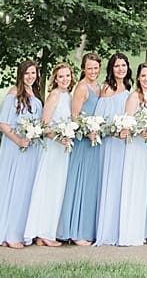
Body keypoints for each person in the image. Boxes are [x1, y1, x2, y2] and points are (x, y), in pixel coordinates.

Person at [0, 59, 43, 248]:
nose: (30, 76)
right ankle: (7, 233)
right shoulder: (14, 93)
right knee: (13, 187)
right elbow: (3, 124)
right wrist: (20, 140)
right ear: (21, 75)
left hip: (32, 149)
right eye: (27, 73)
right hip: (16, 148)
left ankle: (18, 232)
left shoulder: (35, 93)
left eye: (33, 73)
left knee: (25, 190)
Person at [25, 62, 75, 247]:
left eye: (67, 76)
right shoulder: (54, 96)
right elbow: (44, 126)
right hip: (53, 147)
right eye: (61, 76)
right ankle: (42, 232)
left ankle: (46, 232)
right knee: (48, 188)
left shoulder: (68, 96)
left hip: (63, 149)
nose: (64, 79)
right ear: (55, 78)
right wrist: (59, 138)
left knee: (57, 189)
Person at [57, 52, 103, 245]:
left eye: (95, 68)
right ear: (83, 68)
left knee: (91, 186)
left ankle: (86, 228)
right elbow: (75, 116)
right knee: (80, 184)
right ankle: (74, 232)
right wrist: (87, 131)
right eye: (89, 68)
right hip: (84, 141)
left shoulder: (98, 86)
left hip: (95, 141)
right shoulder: (82, 87)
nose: (93, 71)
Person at [116, 62, 147, 245]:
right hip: (137, 146)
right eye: (144, 76)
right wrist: (139, 131)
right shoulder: (134, 96)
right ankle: (131, 230)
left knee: (146, 187)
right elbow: (127, 124)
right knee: (136, 185)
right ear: (138, 78)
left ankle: (144, 228)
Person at [93, 51, 131, 245]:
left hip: (126, 145)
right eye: (117, 66)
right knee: (110, 182)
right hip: (110, 144)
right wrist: (114, 131)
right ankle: (106, 231)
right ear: (111, 69)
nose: (120, 69)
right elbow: (100, 120)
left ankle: (120, 228)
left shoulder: (130, 89)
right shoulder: (107, 89)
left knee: (122, 185)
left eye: (123, 65)